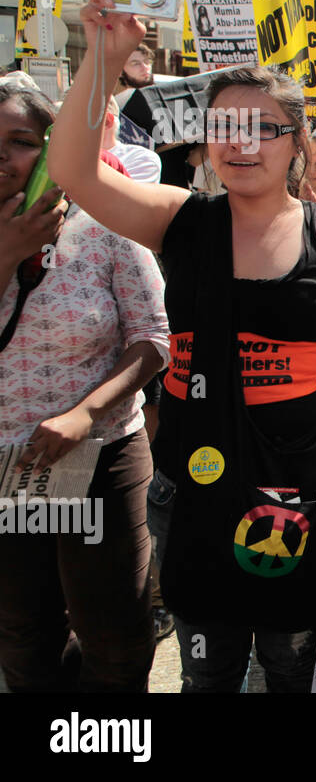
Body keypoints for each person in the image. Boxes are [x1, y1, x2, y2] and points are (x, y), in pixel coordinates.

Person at [47, 0, 316, 692]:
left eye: (263, 128)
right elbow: (73, 170)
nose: (242, 144)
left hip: (301, 491)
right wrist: (101, 60)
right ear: (204, 143)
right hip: (193, 493)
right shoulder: (181, 219)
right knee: (209, 676)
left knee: (293, 668)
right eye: (224, 127)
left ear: (298, 143)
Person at [0, 78, 169, 691]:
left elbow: (154, 337)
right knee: (24, 633)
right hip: (6, 469)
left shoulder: (105, 218)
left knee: (115, 636)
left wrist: (84, 413)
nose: (3, 156)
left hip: (100, 457)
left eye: (21, 142)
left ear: (52, 150)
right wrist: (7, 252)